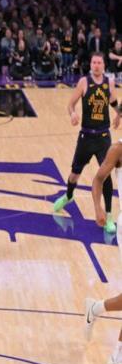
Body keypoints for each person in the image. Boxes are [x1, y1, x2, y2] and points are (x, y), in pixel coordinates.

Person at [53, 53, 120, 233]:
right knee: (74, 174)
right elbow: (70, 105)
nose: (96, 65)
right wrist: (73, 113)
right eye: (94, 62)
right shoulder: (84, 82)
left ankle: (109, 216)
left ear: (104, 65)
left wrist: (118, 114)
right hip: (86, 137)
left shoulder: (109, 83)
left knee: (105, 176)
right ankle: (68, 196)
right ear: (90, 65)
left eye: (99, 62)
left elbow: (114, 103)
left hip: (103, 137)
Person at [86, 138, 122, 364]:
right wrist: (98, 208)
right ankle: (117, 360)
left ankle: (96, 308)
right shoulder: (118, 149)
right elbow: (98, 179)